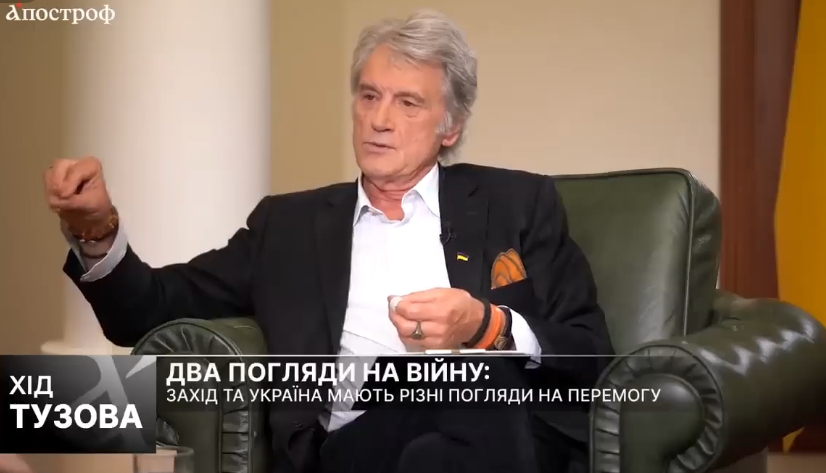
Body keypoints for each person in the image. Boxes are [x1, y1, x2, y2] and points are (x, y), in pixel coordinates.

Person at [43, 10, 613, 473]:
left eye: (408, 103)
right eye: (369, 96)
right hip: (356, 443)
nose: (380, 120)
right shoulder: (289, 227)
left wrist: (486, 326)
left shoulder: (518, 204)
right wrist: (97, 229)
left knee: (463, 401)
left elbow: (590, 354)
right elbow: (147, 311)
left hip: (494, 433)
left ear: (451, 127)